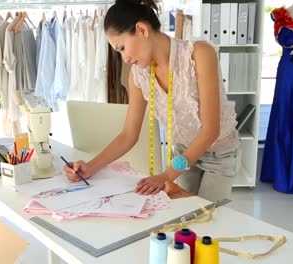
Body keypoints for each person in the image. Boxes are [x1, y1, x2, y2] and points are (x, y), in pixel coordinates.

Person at [64, 0, 239, 202]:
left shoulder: (199, 54)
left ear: (141, 30)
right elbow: (129, 135)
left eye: (122, 48)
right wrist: (91, 167)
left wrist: (166, 175)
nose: (125, 59)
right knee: (183, 218)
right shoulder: (139, 76)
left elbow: (210, 131)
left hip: (219, 154)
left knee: (208, 218)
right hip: (182, 153)